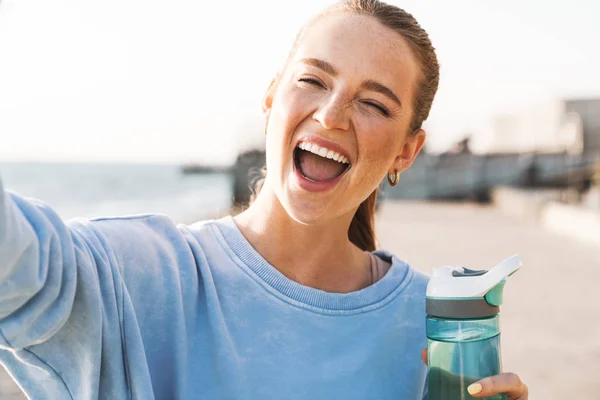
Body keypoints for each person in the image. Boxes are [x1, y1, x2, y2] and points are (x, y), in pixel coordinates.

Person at [0, 0, 528, 399]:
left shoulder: (435, 328)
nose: (332, 114)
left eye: (372, 103)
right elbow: (24, 264)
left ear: (406, 153)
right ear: (273, 96)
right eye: (312, 79)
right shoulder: (141, 276)